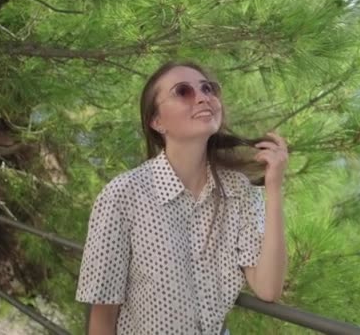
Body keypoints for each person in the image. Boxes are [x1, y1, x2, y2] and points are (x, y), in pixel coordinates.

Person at [75, 61, 288, 334]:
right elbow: (102, 317)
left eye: (207, 89)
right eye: (183, 91)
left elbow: (268, 288)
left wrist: (273, 188)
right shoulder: (123, 195)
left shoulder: (239, 191)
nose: (203, 97)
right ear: (157, 121)